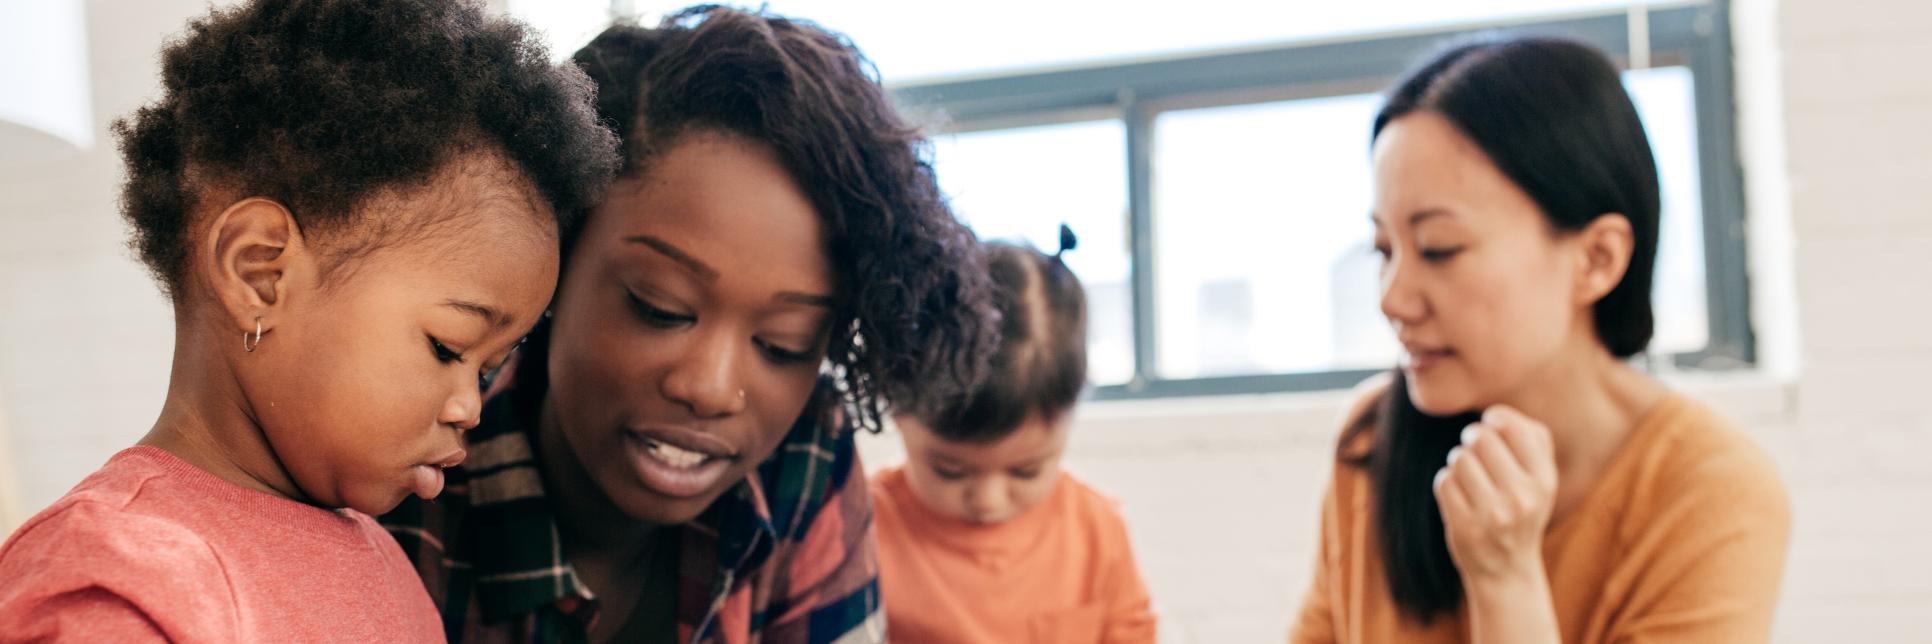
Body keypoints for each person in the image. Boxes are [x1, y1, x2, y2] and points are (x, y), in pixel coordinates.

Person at [0, 0, 618, 640]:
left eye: (488, 371)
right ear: (259, 274)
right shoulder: (116, 577)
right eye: (446, 347)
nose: (470, 408)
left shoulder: (386, 563)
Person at [382, 6, 1000, 643]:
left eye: (782, 345)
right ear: (559, 260)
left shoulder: (805, 455)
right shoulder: (404, 467)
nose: (709, 387)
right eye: (660, 307)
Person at [1289, 37, 1790, 643]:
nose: (1392, 299)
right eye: (1384, 251)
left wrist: (1504, 578)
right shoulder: (1374, 439)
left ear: (1597, 259)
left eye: (1439, 249)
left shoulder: (1711, 492)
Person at [872, 230, 1159, 643]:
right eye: (951, 470)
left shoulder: (1097, 532)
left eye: (1025, 471)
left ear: (1068, 419)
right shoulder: (861, 528)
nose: (988, 500)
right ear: (897, 410)